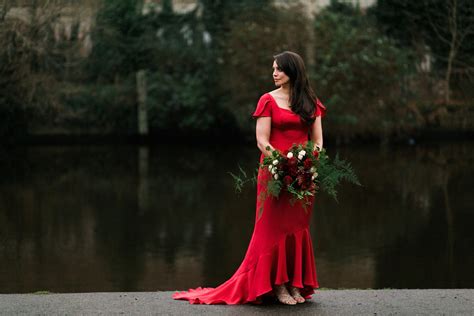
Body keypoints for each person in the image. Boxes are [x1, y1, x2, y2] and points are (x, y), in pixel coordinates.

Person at [172, 51, 326, 305]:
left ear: (293, 72)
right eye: (273, 69)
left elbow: (318, 141)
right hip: (275, 172)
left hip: (304, 174)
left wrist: (307, 162)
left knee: (297, 228)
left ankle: (293, 283)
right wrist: (284, 162)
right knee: (272, 228)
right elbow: (262, 141)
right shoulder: (267, 100)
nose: (274, 73)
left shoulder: (310, 101)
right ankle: (276, 286)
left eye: (279, 69)